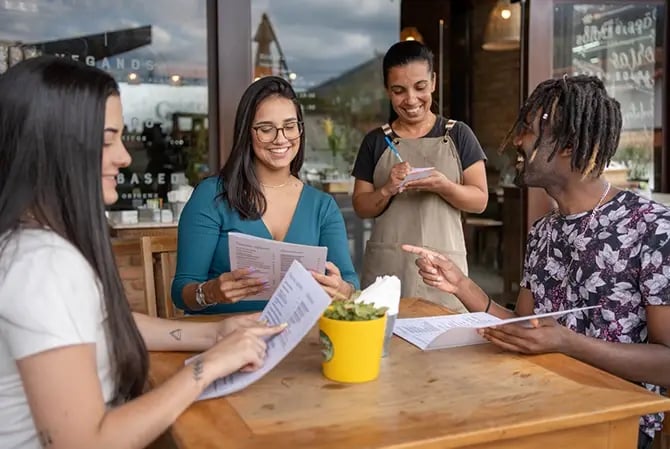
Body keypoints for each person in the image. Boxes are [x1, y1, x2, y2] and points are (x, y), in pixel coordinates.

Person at [0, 56, 286, 449]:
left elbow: (105, 323)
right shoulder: (42, 264)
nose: (125, 157)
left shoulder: (34, 243)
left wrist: (216, 332)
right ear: (51, 147)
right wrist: (208, 367)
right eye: (106, 140)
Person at [403, 75, 670, 449]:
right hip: (537, 401)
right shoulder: (544, 229)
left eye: (527, 131)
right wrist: (460, 285)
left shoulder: (651, 227)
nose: (516, 141)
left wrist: (567, 343)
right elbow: (523, 326)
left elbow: (667, 363)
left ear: (568, 146)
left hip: (613, 423)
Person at [171, 76, 358, 315]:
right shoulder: (213, 195)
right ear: (246, 133)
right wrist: (211, 292)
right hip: (225, 337)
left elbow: (351, 284)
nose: (281, 139)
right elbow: (180, 293)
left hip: (298, 337)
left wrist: (341, 288)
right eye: (266, 129)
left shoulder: (322, 206)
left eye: (290, 126)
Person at [351, 40, 488, 313]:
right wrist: (387, 189)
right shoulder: (376, 141)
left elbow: (479, 200)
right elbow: (361, 206)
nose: (411, 100)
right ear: (387, 91)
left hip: (443, 270)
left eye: (420, 87)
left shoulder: (458, 134)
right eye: (399, 91)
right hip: (388, 267)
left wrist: (445, 186)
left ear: (434, 82)